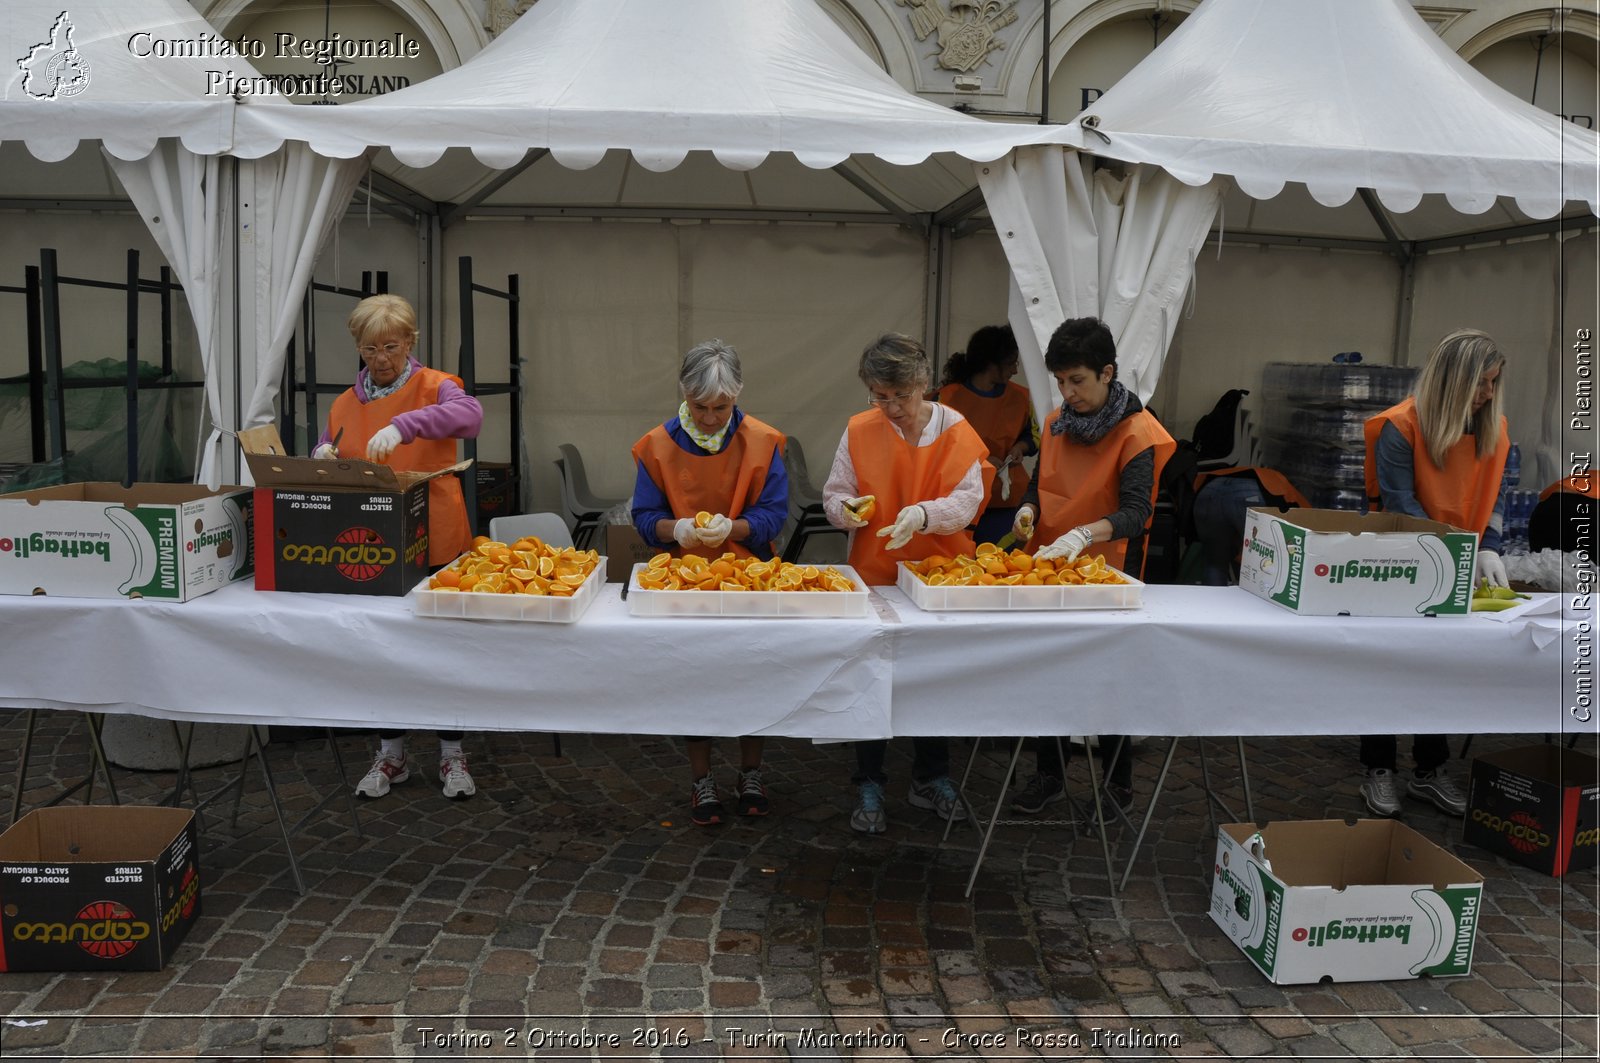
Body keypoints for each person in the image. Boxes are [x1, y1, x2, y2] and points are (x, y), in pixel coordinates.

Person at [312, 294, 484, 800]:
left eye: (391, 346)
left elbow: (469, 418)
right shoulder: (345, 402)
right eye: (370, 349)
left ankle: (452, 753)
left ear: (410, 342)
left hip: (438, 536)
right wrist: (322, 453)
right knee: (381, 647)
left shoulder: (439, 386)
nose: (381, 359)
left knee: (444, 646)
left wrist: (404, 424)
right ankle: (392, 753)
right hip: (373, 543)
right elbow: (332, 444)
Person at [1007, 317, 1175, 815]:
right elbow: (1041, 483)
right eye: (1060, 381)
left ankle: (1118, 783)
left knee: (1111, 678)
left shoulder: (1138, 432)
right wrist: (1029, 509)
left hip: (1109, 573)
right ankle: (1048, 775)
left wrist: (1084, 534)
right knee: (1048, 672)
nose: (1067, 392)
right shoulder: (1057, 422)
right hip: (1050, 570)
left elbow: (1137, 513)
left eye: (1076, 380)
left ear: (1107, 372)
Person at [823, 332, 989, 833]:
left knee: (933, 677)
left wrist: (922, 514)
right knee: (870, 677)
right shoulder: (858, 430)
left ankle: (931, 775)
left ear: (924, 385)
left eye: (901, 395)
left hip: (940, 577)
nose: (890, 407)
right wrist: (845, 511)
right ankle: (869, 778)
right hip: (875, 574)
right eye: (879, 396)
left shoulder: (959, 431)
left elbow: (968, 501)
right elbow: (835, 494)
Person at [631, 339, 790, 827]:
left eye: (721, 407)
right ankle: (701, 777)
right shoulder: (656, 445)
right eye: (700, 407)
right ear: (683, 394)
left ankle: (751, 773)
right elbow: (643, 516)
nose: (709, 417)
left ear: (738, 396)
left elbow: (775, 513)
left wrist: (735, 528)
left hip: (750, 575)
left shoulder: (764, 441)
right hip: (686, 581)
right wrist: (674, 529)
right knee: (695, 678)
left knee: (752, 674)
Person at [1358, 327, 1510, 818]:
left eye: (1494, 383)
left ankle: (1429, 770)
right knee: (1387, 667)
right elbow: (1402, 505)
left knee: (1439, 667)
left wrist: (1490, 548)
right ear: (1454, 381)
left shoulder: (1495, 429)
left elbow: (1498, 498)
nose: (1489, 393)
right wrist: (1463, 551)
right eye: (1482, 383)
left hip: (1460, 562)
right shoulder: (1399, 428)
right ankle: (1378, 769)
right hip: (1400, 559)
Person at [936, 325, 1037, 544]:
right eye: (1011, 363)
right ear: (991, 363)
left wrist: (1022, 447)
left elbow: (1035, 435)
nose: (1015, 371)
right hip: (959, 501)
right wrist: (978, 461)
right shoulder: (946, 398)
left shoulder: (1022, 397)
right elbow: (930, 451)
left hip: (1007, 501)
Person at [1191, 466, 1309, 585]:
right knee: (1261, 558)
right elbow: (1301, 529)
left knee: (1215, 563)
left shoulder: (1275, 480)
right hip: (1248, 493)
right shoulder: (1299, 504)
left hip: (1208, 490)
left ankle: (1213, 600)